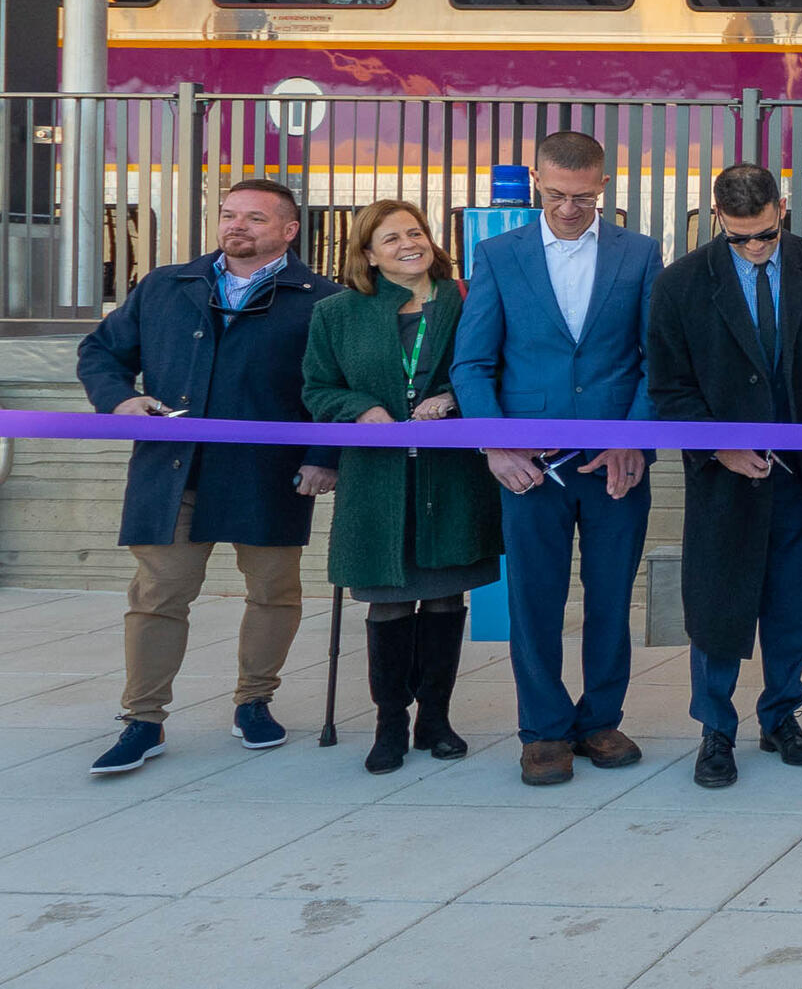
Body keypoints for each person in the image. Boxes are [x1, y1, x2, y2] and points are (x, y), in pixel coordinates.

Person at [79, 179, 338, 775]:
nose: (235, 225)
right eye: (228, 215)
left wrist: (325, 456)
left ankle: (255, 703)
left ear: (289, 230)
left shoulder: (322, 299)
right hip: (175, 471)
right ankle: (142, 720)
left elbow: (333, 387)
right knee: (157, 595)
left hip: (269, 474)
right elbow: (101, 352)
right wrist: (119, 401)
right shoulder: (167, 285)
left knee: (274, 593)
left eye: (253, 217)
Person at [649, 163, 802, 790]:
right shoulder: (680, 285)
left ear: (783, 208)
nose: (755, 248)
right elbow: (669, 389)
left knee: (789, 607)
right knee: (719, 610)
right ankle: (715, 731)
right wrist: (719, 448)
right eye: (740, 237)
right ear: (717, 218)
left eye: (766, 235)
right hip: (726, 480)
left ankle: (782, 716)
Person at [453, 130, 662, 787]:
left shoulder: (641, 254)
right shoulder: (498, 253)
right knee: (534, 601)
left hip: (616, 464)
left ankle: (600, 719)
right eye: (556, 194)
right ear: (538, 183)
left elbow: (657, 360)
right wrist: (495, 443)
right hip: (529, 467)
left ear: (603, 185)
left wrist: (634, 439)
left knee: (609, 599)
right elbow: (472, 362)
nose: (569, 207)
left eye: (583, 194)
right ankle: (543, 731)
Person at [301, 200, 502, 774]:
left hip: (452, 476)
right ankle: (389, 723)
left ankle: (434, 720)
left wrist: (455, 398)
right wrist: (359, 408)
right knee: (388, 602)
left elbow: (496, 367)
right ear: (367, 254)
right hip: (377, 479)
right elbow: (318, 387)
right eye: (391, 239)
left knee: (443, 597)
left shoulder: (466, 302)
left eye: (415, 233)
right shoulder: (337, 314)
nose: (409, 244)